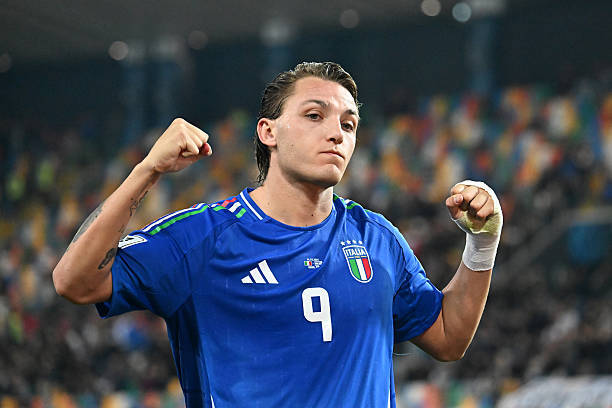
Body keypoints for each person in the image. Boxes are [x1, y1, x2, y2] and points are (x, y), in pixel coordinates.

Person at [53, 62, 503, 408]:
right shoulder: (204, 238)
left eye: (348, 124)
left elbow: (448, 337)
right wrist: (147, 170)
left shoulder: (376, 238)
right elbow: (75, 282)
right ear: (268, 131)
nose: (336, 133)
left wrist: (482, 243)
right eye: (314, 115)